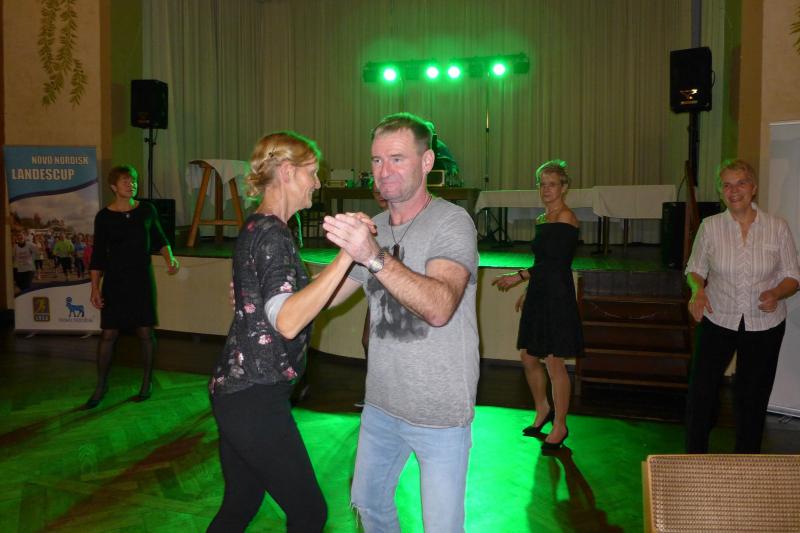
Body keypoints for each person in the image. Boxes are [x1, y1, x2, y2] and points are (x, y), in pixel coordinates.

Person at [323, 112, 479, 532]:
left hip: (439, 411)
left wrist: (372, 255)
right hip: (381, 403)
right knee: (368, 504)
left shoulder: (451, 221)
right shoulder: (375, 228)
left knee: (441, 527)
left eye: (396, 159)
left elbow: (440, 306)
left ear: (427, 162)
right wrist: (271, 294)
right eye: (376, 160)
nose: (383, 171)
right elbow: (328, 297)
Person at [207, 132, 364, 532]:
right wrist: (348, 253)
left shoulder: (260, 226)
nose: (317, 182)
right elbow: (289, 321)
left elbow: (312, 300)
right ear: (288, 172)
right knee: (309, 513)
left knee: (241, 503)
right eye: (313, 172)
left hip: (239, 392)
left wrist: (364, 265)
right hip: (254, 397)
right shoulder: (273, 234)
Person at [685, 159, 800, 453]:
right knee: (702, 392)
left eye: (741, 183)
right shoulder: (710, 227)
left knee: (752, 396)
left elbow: (793, 276)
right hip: (718, 317)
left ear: (754, 188)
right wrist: (698, 290)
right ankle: (694, 457)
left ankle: (746, 460)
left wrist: (777, 292)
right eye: (727, 185)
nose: (734, 190)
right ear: (720, 191)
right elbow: (695, 269)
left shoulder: (777, 227)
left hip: (764, 324)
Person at [492, 160, 583, 451]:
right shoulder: (543, 219)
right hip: (541, 291)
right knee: (529, 357)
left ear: (564, 187)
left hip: (557, 294)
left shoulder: (566, 217)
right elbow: (541, 262)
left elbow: (554, 263)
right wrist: (528, 289)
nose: (546, 190)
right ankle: (543, 408)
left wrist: (518, 277)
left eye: (552, 184)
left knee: (554, 362)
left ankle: (561, 425)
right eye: (542, 184)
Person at [86, 165, 179, 409]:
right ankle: (101, 385)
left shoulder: (147, 210)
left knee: (145, 332)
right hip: (115, 281)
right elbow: (98, 255)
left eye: (134, 180)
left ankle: (146, 382)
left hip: (141, 280)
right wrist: (95, 288)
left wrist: (170, 258)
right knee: (108, 334)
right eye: (126, 181)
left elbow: (160, 239)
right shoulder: (104, 217)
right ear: (113, 186)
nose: (132, 184)